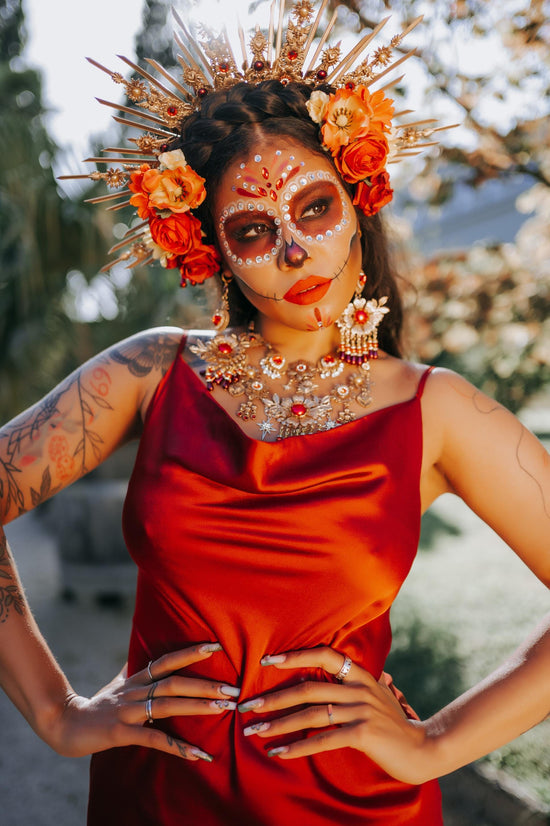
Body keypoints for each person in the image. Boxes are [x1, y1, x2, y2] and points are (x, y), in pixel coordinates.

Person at [1, 3, 549, 824]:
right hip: (155, 802)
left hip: (355, 808)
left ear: (358, 199)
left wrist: (434, 744)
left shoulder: (438, 411)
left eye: (316, 208)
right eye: (254, 229)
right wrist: (55, 710)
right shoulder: (154, 371)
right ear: (211, 249)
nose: (296, 250)